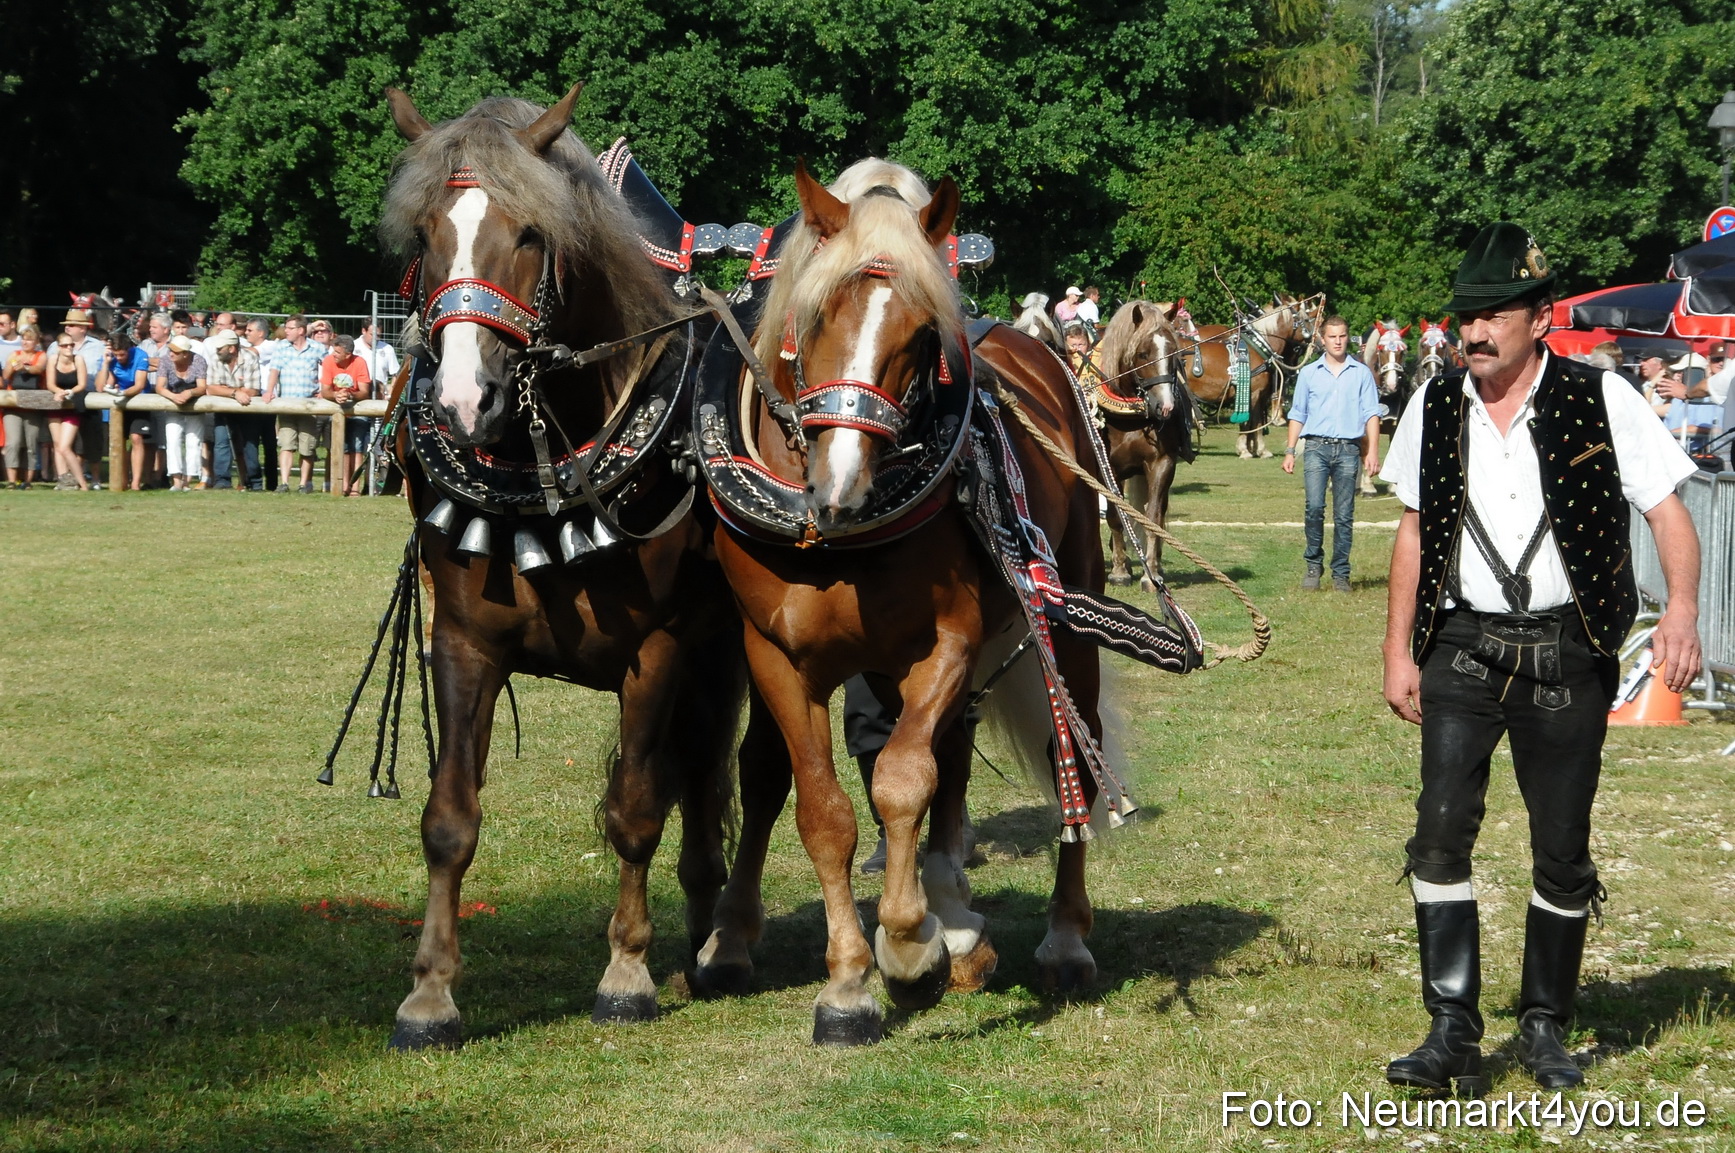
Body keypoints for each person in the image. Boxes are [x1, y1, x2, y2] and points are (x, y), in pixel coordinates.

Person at [1378, 223, 1701, 1097]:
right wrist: (1395, 650)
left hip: (1568, 648)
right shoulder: (1434, 403)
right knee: (1439, 827)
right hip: (1462, 647)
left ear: (1539, 317)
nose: (1472, 333)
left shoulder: (1601, 397)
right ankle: (1451, 1027)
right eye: (1463, 318)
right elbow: (1411, 528)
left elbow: (1668, 507)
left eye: (1492, 315)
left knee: (1560, 847)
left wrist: (1678, 610)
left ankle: (1545, 1023)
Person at [1281, 315, 1381, 591]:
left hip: (1349, 450)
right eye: (1332, 337)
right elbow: (1297, 413)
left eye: (1342, 336)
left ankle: (1341, 574)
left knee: (1344, 514)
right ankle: (1313, 566)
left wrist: (1372, 451)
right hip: (1316, 448)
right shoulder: (1309, 373)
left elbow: (1372, 414)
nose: (1337, 342)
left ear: (1348, 338)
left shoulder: (1360, 373)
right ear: (1322, 340)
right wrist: (1290, 451)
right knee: (1314, 509)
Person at [264, 313, 325, 493]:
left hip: (309, 405)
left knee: (307, 447)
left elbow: (328, 367)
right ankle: (284, 483)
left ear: (300, 330)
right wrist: (269, 391)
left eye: (290, 328)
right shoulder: (281, 348)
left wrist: (324, 390)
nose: (286, 331)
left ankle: (303, 484)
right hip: (286, 404)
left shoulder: (317, 348)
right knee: (286, 444)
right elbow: (274, 370)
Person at [205, 330, 264, 489]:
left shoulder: (250, 358)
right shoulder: (214, 359)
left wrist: (224, 389)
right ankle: (222, 482)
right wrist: (235, 392)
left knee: (250, 446)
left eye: (220, 348)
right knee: (221, 443)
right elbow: (210, 387)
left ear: (232, 348)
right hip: (222, 409)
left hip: (248, 410)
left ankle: (254, 483)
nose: (217, 350)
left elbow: (254, 389)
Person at [100, 331, 154, 491]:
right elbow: (102, 386)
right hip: (119, 404)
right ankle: (121, 480)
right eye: (116, 355)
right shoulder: (112, 360)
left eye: (122, 354)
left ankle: (136, 483)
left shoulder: (140, 355)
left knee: (137, 438)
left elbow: (139, 384)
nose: (119, 358)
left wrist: (122, 393)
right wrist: (105, 364)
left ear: (129, 349)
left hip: (139, 401)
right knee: (119, 442)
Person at [319, 334, 372, 496]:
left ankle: (355, 487)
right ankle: (343, 486)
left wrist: (349, 395)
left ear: (347, 355)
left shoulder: (359, 362)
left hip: (357, 410)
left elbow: (364, 392)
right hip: (337, 411)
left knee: (357, 448)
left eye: (337, 352)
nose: (333, 354)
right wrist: (336, 396)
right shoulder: (328, 361)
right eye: (333, 350)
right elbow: (325, 390)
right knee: (343, 448)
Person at [156, 334, 209, 491]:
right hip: (173, 404)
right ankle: (176, 480)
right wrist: (173, 396)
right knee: (172, 440)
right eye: (170, 350)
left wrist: (190, 393)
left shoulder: (198, 360)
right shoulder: (165, 361)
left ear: (185, 353)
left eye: (175, 352)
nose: (171, 353)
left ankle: (187, 480)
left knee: (194, 442)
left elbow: (201, 386)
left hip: (194, 405)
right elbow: (160, 386)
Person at [62, 308, 108, 487]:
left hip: (90, 398)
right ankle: (71, 478)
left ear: (83, 328)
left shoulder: (98, 347)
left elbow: (103, 372)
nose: (68, 328)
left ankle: (95, 478)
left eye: (72, 325)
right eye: (66, 325)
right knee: (68, 444)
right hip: (64, 400)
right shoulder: (55, 346)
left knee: (92, 442)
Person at [45, 330, 91, 490]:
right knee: (57, 445)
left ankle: (82, 483)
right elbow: (50, 383)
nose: (69, 348)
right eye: (65, 345)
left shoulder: (78, 360)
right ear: (58, 347)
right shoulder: (53, 359)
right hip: (56, 404)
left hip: (73, 404)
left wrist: (70, 392)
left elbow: (82, 383)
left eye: (71, 345)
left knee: (65, 446)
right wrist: (58, 392)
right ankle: (64, 480)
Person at [4, 326, 48, 487]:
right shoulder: (14, 355)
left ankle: (28, 480)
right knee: (13, 443)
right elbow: (6, 376)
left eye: (29, 339)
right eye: (23, 339)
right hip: (13, 405)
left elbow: (39, 368)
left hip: (33, 406)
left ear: (36, 342)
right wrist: (12, 365)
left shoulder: (41, 355)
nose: (25, 342)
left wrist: (26, 367)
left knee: (31, 443)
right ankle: (11, 480)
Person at [356, 320, 400, 390]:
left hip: (380, 395)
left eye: (378, 335)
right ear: (364, 331)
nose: (375, 338)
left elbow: (395, 374)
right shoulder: (354, 347)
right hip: (358, 393)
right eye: (372, 334)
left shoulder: (387, 349)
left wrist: (390, 392)